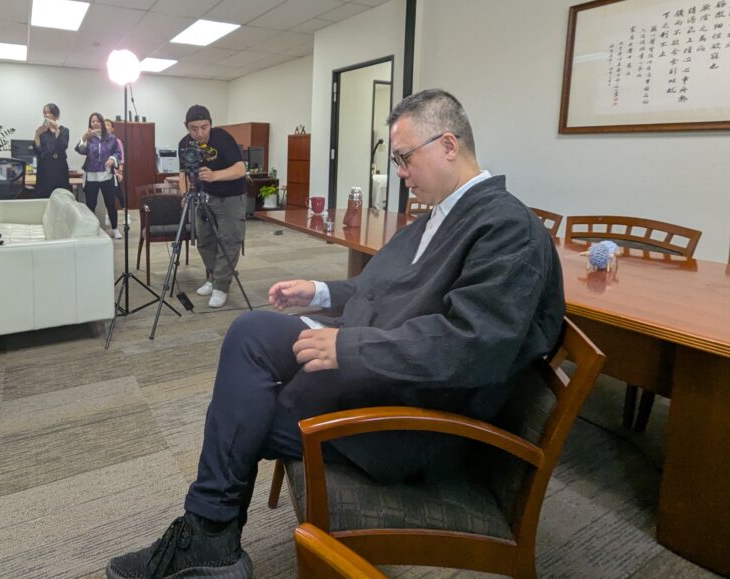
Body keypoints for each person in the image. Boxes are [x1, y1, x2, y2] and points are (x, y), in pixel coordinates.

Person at [106, 90, 565, 579]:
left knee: (245, 414)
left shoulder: (507, 229)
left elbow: (473, 345)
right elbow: (380, 288)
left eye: (404, 158)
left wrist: (348, 345)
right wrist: (320, 291)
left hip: (413, 413)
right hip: (378, 365)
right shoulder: (441, 216)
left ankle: (207, 535)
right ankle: (209, 534)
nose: (400, 172)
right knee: (250, 331)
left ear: (448, 145)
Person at [178, 105, 247, 309]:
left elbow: (241, 169)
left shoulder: (222, 138)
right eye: (194, 129)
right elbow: (183, 173)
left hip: (230, 196)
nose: (199, 133)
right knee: (204, 240)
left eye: (204, 127)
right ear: (186, 127)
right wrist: (184, 194)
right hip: (203, 196)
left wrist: (215, 175)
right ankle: (214, 277)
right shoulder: (185, 144)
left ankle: (221, 286)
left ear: (210, 124)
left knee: (229, 241)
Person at [75, 112, 122, 239]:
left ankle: (115, 229)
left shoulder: (111, 138)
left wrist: (112, 159)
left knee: (110, 204)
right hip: (91, 176)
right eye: (92, 121)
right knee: (90, 204)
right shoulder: (89, 138)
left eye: (97, 121)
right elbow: (80, 150)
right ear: (90, 124)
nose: (95, 123)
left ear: (102, 122)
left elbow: (118, 153)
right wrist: (85, 137)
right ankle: (92, 229)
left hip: (107, 176)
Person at [33, 102, 70, 198]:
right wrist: (37, 135)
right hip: (45, 168)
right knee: (43, 196)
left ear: (56, 115)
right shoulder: (42, 131)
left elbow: (62, 147)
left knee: (61, 198)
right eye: (45, 113)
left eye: (49, 113)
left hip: (59, 168)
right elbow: (38, 151)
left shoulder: (64, 130)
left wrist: (57, 130)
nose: (47, 115)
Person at [104, 118, 126, 210]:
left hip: (114, 172)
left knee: (118, 192)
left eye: (108, 125)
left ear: (112, 129)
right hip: (102, 173)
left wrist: (120, 172)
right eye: (104, 124)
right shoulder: (100, 140)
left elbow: (121, 157)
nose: (106, 127)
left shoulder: (117, 141)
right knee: (106, 195)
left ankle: (125, 210)